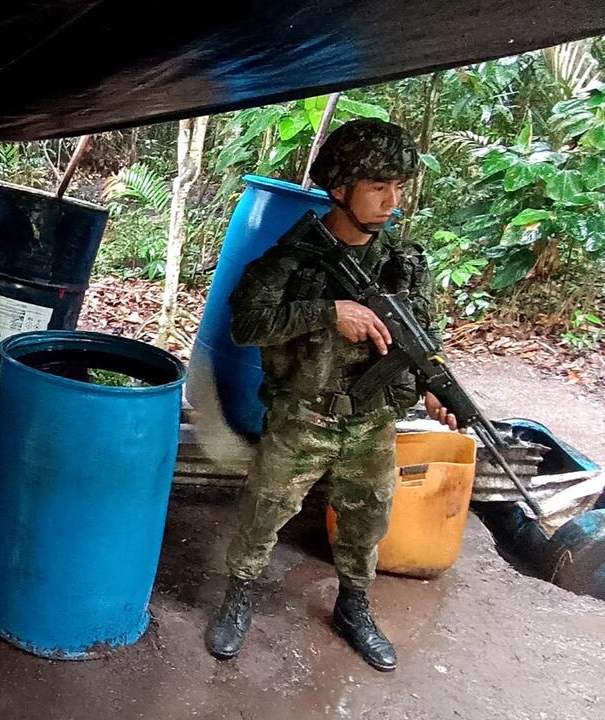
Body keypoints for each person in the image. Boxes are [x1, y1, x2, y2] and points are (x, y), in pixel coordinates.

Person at [205, 118, 456, 671]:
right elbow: (245, 324)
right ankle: (238, 596)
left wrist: (437, 388)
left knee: (368, 519)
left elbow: (425, 335)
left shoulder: (405, 262)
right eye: (377, 186)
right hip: (304, 416)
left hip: (372, 422)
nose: (393, 200)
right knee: (264, 513)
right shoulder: (289, 260)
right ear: (339, 188)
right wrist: (327, 313)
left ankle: (354, 605)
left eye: (398, 187)